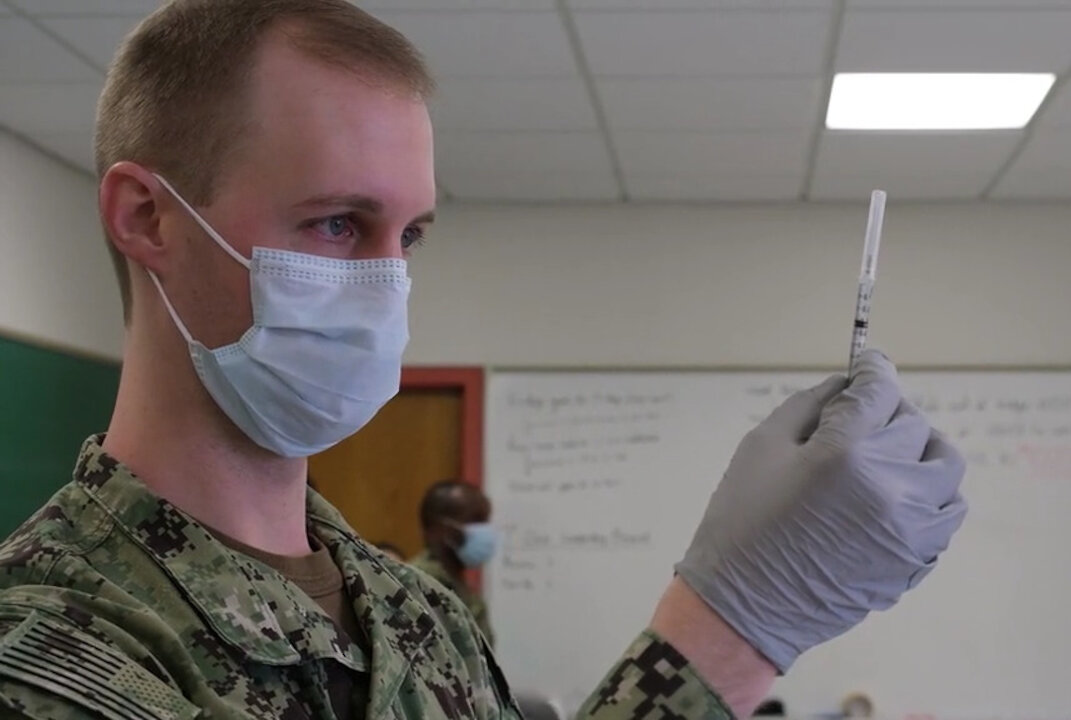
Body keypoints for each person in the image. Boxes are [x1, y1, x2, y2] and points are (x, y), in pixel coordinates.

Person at [0, 1, 967, 718]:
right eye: (338, 223)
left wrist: (751, 619)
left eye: (410, 236)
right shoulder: (53, 649)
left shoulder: (417, 614)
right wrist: (734, 620)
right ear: (149, 216)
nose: (387, 285)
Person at [409, 481, 497, 644]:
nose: (485, 530)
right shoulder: (414, 585)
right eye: (476, 520)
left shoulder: (467, 593)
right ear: (440, 528)